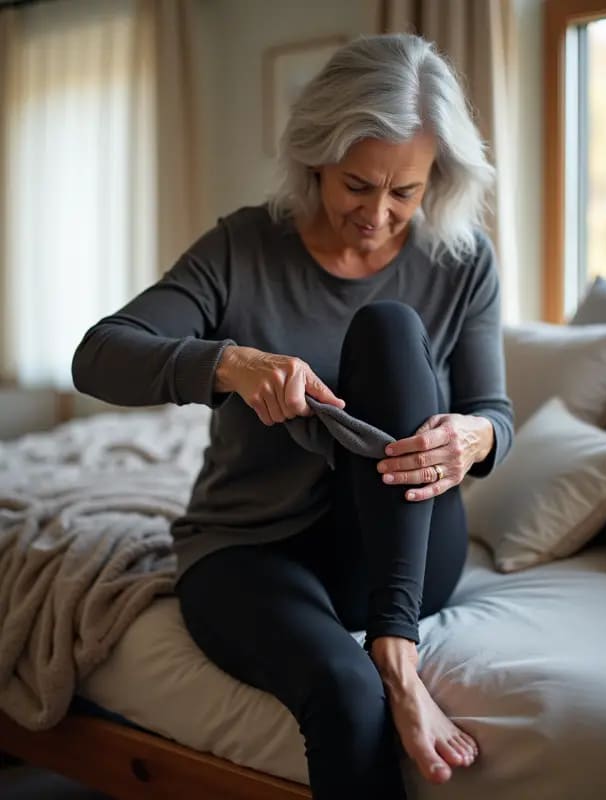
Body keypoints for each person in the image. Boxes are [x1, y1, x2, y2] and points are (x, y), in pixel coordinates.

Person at [72, 32, 513, 800]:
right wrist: (230, 363)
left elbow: (493, 413)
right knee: (344, 698)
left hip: (398, 556)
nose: (378, 214)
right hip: (250, 549)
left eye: (404, 192)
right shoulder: (242, 247)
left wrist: (472, 439)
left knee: (390, 328)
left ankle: (397, 653)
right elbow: (100, 354)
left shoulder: (462, 258)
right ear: (315, 158)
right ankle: (375, 670)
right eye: (357, 185)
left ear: (434, 180)